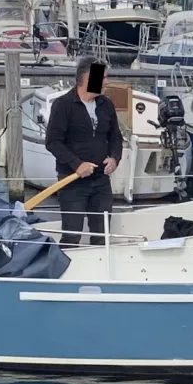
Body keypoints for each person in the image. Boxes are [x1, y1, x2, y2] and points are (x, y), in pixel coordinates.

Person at [45, 56, 122, 247]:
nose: (107, 82)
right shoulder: (63, 105)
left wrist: (114, 158)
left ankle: (99, 272)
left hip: (101, 181)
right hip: (73, 182)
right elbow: (53, 142)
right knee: (71, 236)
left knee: (101, 235)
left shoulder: (106, 104)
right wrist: (77, 165)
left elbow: (115, 137)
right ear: (87, 79)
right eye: (103, 78)